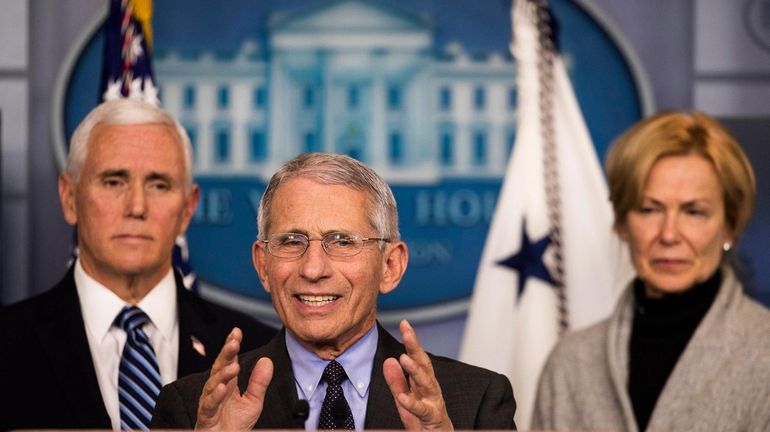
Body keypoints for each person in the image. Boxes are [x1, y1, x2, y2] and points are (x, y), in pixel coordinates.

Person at [150, 152, 516, 430]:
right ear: (263, 265)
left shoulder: (475, 403)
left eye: (341, 242)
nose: (313, 269)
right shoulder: (191, 408)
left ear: (390, 266)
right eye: (292, 241)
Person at [0, 99, 276, 431]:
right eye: (113, 182)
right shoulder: (8, 343)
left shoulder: (259, 355)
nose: (136, 206)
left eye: (159, 185)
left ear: (188, 209)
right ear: (69, 197)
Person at [532, 111, 770, 431]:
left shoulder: (763, 350)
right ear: (621, 222)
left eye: (694, 212)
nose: (669, 234)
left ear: (730, 226)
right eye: (649, 209)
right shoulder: (571, 363)